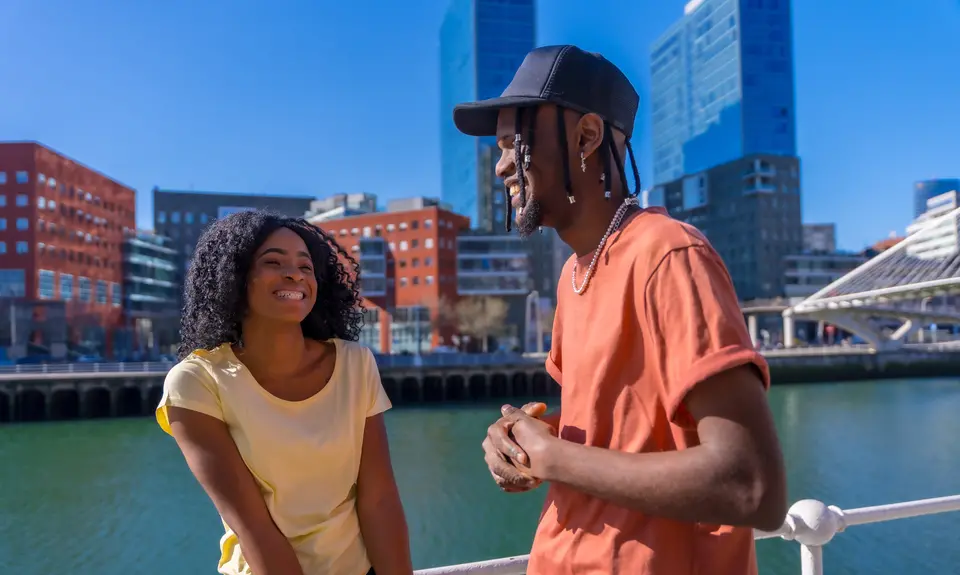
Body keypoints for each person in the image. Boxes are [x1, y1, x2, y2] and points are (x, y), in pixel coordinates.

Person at [454, 45, 788, 574]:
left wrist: (554, 456)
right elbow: (621, 431)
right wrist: (523, 444)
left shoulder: (669, 255)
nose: (499, 168)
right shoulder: (574, 274)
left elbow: (751, 486)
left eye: (510, 145)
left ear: (586, 137)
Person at [156, 210, 413, 575]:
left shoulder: (356, 364)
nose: (294, 274)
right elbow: (253, 526)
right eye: (273, 262)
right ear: (236, 277)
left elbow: (379, 500)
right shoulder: (196, 382)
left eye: (305, 267)